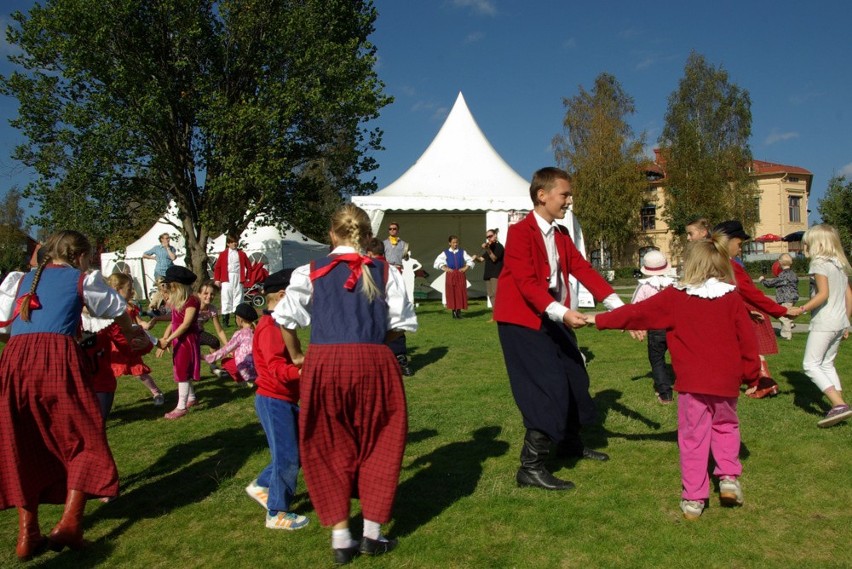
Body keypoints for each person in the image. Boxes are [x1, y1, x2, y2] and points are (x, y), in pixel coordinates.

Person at [273, 204, 417, 564]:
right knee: (380, 441)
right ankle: (372, 534)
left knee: (327, 443)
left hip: (324, 362)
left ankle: (341, 538)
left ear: (332, 235)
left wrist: (296, 357)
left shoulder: (311, 272)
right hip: (374, 360)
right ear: (367, 236)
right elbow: (400, 324)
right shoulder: (385, 272)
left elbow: (284, 318)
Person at [586, 236, 760, 520]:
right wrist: (753, 375)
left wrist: (599, 319)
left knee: (692, 438)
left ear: (689, 264)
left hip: (692, 383)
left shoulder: (676, 297)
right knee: (726, 426)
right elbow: (748, 341)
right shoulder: (732, 298)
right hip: (726, 381)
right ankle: (728, 478)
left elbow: (637, 313)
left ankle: (694, 499)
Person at [0, 230, 146, 560]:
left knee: (24, 442)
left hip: (13, 362)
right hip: (56, 359)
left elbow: (2, 328)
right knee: (84, 437)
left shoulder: (19, 281)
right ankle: (69, 523)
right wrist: (132, 335)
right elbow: (117, 308)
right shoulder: (81, 279)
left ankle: (28, 534)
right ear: (79, 257)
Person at [494, 167, 633, 492]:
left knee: (575, 375)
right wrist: (563, 312)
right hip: (522, 321)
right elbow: (527, 284)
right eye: (565, 194)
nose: (570, 200)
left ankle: (570, 443)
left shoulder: (560, 235)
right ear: (542, 195)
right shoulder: (519, 233)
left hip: (552, 316)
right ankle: (531, 466)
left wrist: (621, 309)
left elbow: (583, 269)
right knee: (549, 386)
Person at [244, 268, 310, 531]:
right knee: (288, 457)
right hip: (274, 400)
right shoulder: (270, 328)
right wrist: (303, 371)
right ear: (284, 295)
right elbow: (275, 369)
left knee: (296, 452)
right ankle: (277, 512)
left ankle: (262, 485)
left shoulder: (277, 324)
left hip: (284, 400)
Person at [713, 221, 802, 399]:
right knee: (740, 348)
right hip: (723, 313)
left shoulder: (726, 265)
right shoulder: (725, 264)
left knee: (744, 348)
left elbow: (749, 293)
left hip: (726, 314)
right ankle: (759, 382)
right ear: (726, 241)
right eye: (739, 245)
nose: (740, 250)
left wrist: (780, 311)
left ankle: (762, 382)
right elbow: (746, 293)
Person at [798, 224, 852, 427]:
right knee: (827, 363)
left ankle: (838, 405)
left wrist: (801, 309)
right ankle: (839, 406)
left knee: (810, 365)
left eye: (807, 242)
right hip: (839, 322)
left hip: (825, 322)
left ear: (816, 243)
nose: (804, 246)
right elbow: (849, 296)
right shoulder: (839, 264)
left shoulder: (819, 263)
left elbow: (823, 294)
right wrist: (846, 322)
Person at [106, 273, 164, 405]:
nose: (132, 292)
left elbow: (139, 322)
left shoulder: (131, 307)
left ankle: (156, 392)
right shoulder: (108, 309)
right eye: (129, 289)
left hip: (130, 344)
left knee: (139, 371)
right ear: (117, 289)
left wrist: (146, 325)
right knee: (108, 373)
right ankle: (105, 401)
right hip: (114, 347)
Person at [156, 265, 201, 419]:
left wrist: (168, 339)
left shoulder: (192, 301)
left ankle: (181, 407)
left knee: (182, 371)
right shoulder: (178, 301)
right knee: (182, 368)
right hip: (178, 339)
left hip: (186, 340)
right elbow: (174, 321)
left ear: (176, 285)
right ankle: (191, 398)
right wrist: (166, 336)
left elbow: (185, 324)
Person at [631, 250, 676, 403]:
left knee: (657, 359)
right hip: (674, 327)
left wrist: (636, 325)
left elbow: (635, 307)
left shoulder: (644, 286)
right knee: (679, 357)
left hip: (656, 328)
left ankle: (665, 394)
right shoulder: (673, 284)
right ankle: (687, 385)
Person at [366, 238, 412, 376]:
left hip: (373, 309)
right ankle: (401, 361)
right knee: (396, 332)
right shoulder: (392, 269)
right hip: (391, 307)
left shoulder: (365, 268)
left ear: (368, 252)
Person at [204, 302, 258, 385]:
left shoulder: (240, 333)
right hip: (259, 369)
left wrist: (208, 357)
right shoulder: (257, 332)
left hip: (247, 372)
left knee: (226, 362)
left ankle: (242, 381)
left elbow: (225, 350)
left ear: (240, 319)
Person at [758, 253, 799, 340]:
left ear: (779, 263)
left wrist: (762, 280)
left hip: (785, 298)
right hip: (793, 297)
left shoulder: (783, 275)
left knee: (782, 315)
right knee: (786, 314)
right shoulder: (793, 274)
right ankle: (790, 323)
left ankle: (786, 335)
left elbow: (770, 284)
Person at [433, 235, 475, 318]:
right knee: (451, 292)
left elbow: (470, 260)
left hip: (460, 274)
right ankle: (453, 311)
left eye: (456, 242)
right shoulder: (445, 253)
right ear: (449, 243)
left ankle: (458, 311)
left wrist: (466, 267)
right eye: (453, 242)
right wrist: (445, 268)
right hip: (451, 275)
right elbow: (437, 262)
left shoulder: (462, 252)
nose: (455, 244)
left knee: (460, 292)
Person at [214, 235, 250, 327]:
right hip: (227, 277)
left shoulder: (242, 254)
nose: (235, 244)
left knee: (239, 297)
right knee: (226, 297)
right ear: (228, 244)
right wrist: (217, 279)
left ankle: (238, 320)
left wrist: (247, 277)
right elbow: (217, 267)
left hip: (238, 277)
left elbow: (249, 266)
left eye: (236, 242)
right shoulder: (223, 254)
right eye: (232, 242)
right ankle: (225, 321)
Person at [196, 280, 229, 375]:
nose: (209, 296)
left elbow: (219, 330)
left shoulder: (212, 309)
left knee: (214, 342)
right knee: (193, 372)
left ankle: (213, 366)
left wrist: (227, 346)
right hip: (187, 334)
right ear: (199, 294)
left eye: (212, 294)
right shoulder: (194, 306)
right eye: (205, 293)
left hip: (199, 332)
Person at [478, 228, 504, 315]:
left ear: (495, 235)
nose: (489, 238)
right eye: (487, 237)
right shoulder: (490, 247)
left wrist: (487, 249)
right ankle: (495, 315)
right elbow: (481, 259)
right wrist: (475, 258)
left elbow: (494, 258)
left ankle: (500, 314)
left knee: (496, 295)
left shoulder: (499, 246)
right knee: (491, 296)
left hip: (495, 274)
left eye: (490, 236)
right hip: (488, 274)